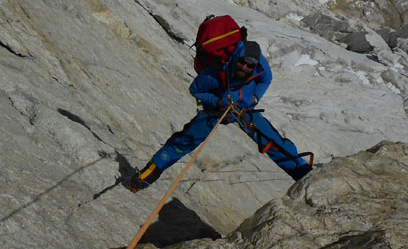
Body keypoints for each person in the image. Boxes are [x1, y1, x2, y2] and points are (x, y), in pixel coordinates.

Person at [123, 37, 313, 192]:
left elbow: (266, 79)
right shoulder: (214, 73)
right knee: (185, 141)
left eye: (250, 66)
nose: (245, 68)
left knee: (271, 140)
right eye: (243, 63)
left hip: (243, 109)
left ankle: (304, 174)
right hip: (216, 111)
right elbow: (195, 90)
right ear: (237, 57)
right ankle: (147, 175)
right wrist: (217, 102)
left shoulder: (260, 65)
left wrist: (255, 97)